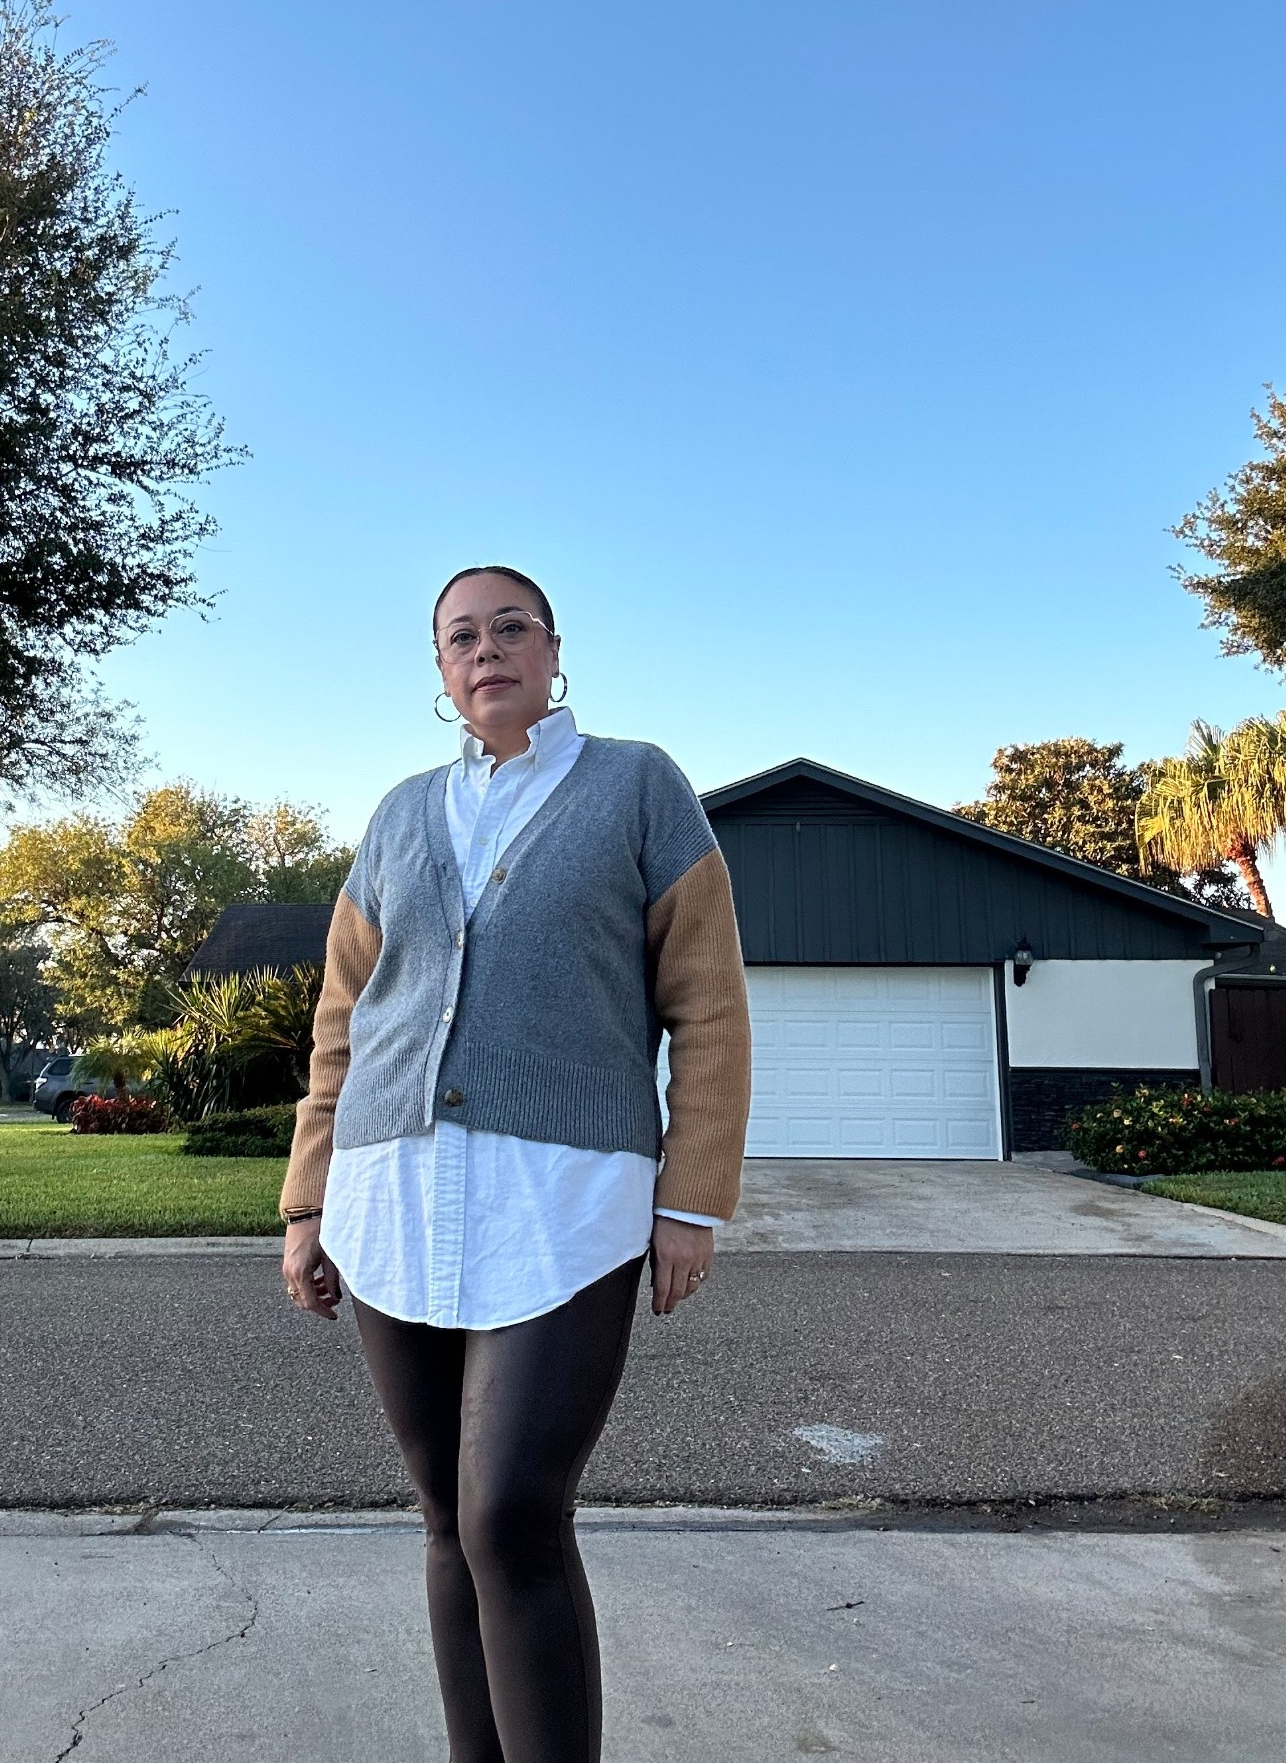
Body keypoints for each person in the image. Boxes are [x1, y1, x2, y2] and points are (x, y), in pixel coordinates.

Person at [281, 565, 752, 1763]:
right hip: (390, 1196)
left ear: (553, 648)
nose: (485, 648)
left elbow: (707, 1007)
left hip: (564, 1201)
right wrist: (306, 1202)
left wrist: (689, 1198)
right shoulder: (396, 815)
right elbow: (345, 1021)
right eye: (459, 636)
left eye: (508, 627)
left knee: (511, 1513)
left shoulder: (640, 786)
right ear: (440, 673)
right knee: (446, 1518)